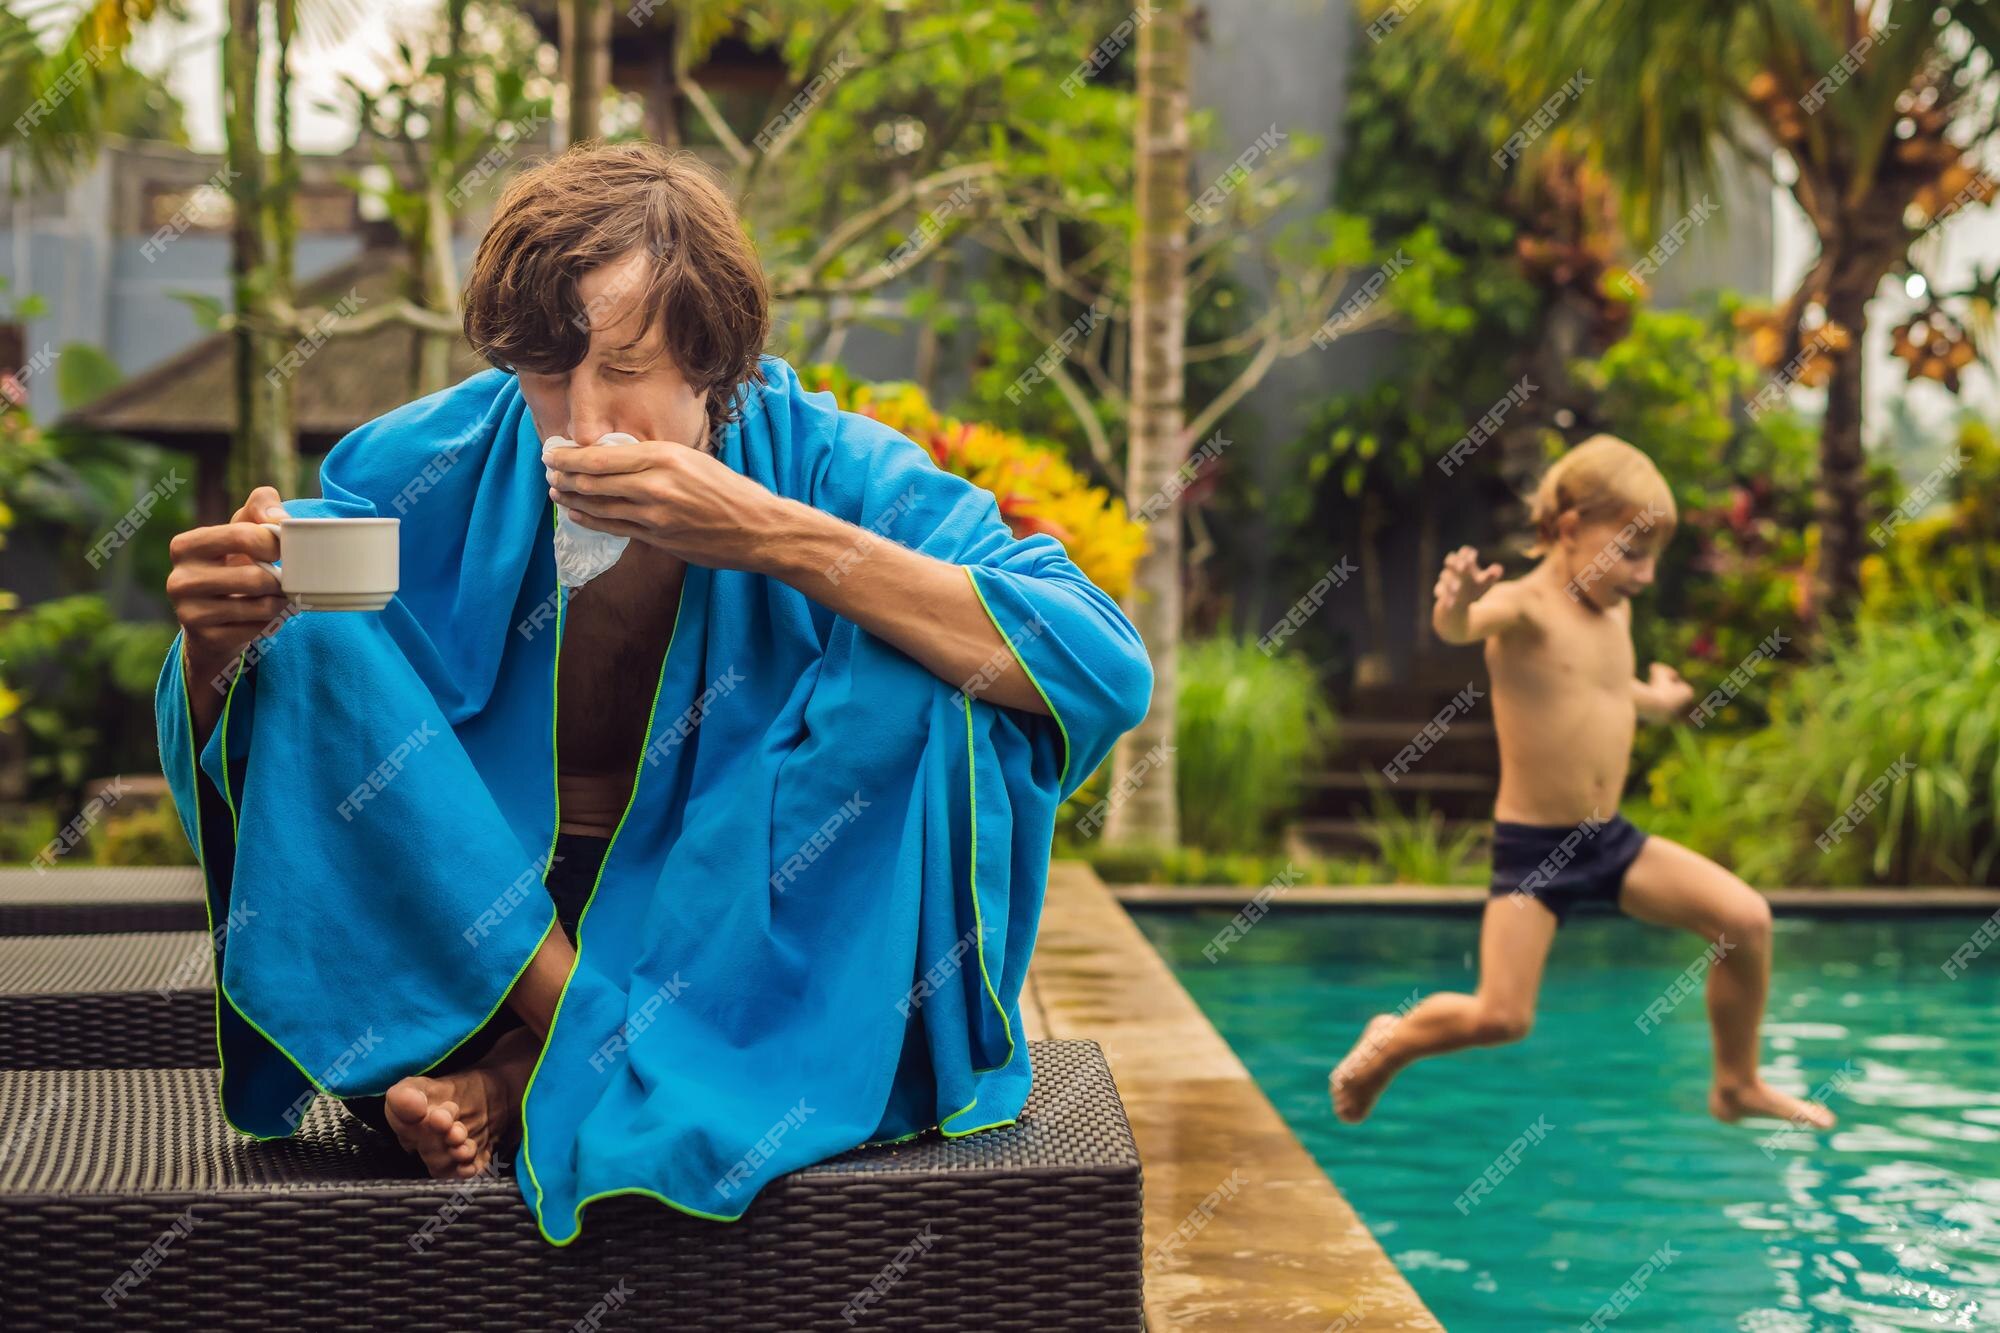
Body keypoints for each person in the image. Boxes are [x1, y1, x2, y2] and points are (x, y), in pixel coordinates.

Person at [157, 142, 1152, 1240]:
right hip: (473, 927)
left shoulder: (826, 467)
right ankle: (582, 1033)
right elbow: (274, 741)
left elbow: (1096, 659)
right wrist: (218, 648)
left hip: (735, 929)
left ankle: (531, 1068)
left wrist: (769, 534)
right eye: (544, 370)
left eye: (625, 367)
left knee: (917, 678)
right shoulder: (423, 465)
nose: (584, 421)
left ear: (713, 364)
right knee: (306, 643)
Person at [1329, 435, 1834, 1133]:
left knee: (1746, 920)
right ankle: (1392, 1038)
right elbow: (1462, 626)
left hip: (1610, 839)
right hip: (1537, 851)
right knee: (1501, 1016)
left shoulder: (1614, 609)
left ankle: (1737, 1082)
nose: (1646, 575)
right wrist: (1458, 603)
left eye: (1653, 555)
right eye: (1631, 552)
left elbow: (1598, 685)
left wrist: (1654, 698)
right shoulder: (1525, 605)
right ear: (1569, 530)